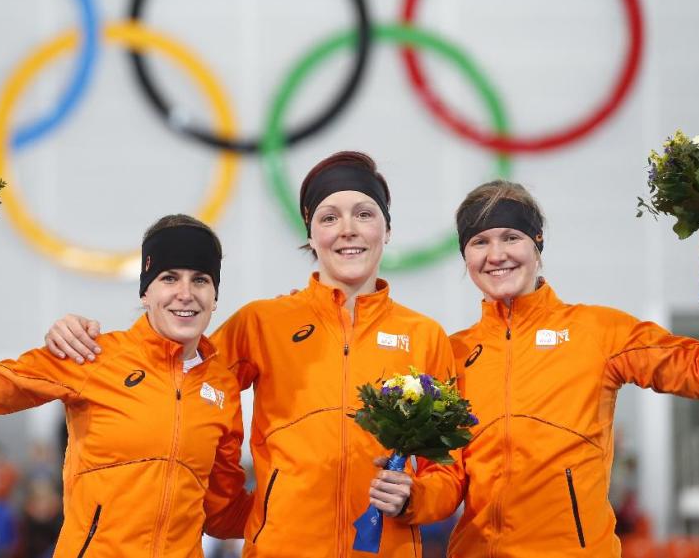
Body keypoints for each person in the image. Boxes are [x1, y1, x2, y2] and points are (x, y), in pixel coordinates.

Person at [45, 151, 459, 556]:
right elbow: (179, 378)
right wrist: (88, 340)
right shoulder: (263, 323)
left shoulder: (424, 336)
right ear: (310, 234)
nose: (347, 229)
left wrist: (414, 498)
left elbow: (449, 469)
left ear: (386, 229)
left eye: (364, 214)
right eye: (329, 217)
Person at [367, 179, 699, 557]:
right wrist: (410, 498)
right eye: (479, 242)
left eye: (511, 237)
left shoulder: (599, 333)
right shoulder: (452, 354)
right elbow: (448, 480)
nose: (495, 254)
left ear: (537, 243)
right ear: (466, 257)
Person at [0, 214, 251, 556]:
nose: (186, 293)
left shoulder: (222, 387)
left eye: (201, 279)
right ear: (146, 292)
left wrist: (302, 493)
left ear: (215, 297)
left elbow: (222, 513)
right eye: (170, 278)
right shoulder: (91, 355)